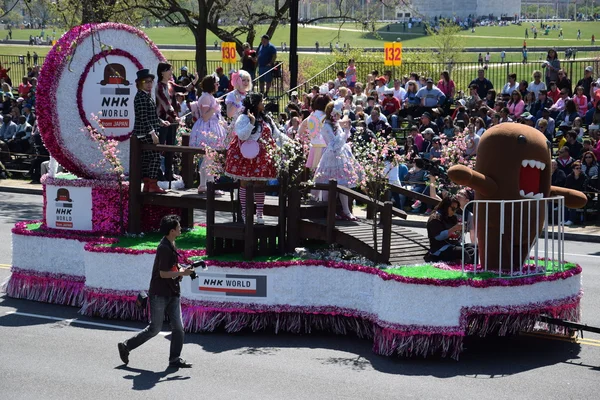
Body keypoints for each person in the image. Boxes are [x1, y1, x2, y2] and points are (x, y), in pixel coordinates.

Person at [118, 215, 194, 369]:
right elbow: (163, 273)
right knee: (155, 329)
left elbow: (173, 266)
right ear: (172, 231)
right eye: (178, 227)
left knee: (178, 327)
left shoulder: (172, 243)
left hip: (173, 292)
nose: (180, 229)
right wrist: (182, 274)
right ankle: (126, 346)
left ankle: (174, 359)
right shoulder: (164, 248)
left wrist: (182, 269)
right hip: (159, 293)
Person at [224, 93, 287, 224]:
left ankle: (259, 213)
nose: (263, 104)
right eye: (261, 102)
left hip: (261, 158)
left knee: (260, 183)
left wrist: (291, 142)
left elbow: (277, 134)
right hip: (245, 156)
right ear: (255, 104)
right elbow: (242, 135)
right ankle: (245, 212)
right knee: (245, 184)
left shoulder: (266, 119)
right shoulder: (243, 118)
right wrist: (251, 123)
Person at [314, 100, 363, 220]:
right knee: (328, 184)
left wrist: (346, 130)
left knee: (343, 184)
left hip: (341, 157)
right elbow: (334, 144)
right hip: (330, 157)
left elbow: (343, 140)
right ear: (331, 113)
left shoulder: (336, 125)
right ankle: (329, 210)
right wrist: (345, 130)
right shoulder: (325, 126)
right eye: (336, 114)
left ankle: (346, 211)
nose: (338, 117)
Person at [155, 62, 197, 182]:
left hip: (172, 122)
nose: (171, 72)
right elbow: (166, 105)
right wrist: (175, 116)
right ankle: (158, 172)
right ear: (162, 72)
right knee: (160, 147)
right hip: (162, 121)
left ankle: (169, 172)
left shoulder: (171, 84)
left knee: (171, 147)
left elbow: (185, 89)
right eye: (169, 70)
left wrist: (195, 81)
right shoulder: (159, 87)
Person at [189, 75, 227, 193]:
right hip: (207, 129)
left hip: (212, 128)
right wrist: (215, 106)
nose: (218, 85)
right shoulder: (205, 97)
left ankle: (204, 185)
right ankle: (208, 185)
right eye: (216, 83)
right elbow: (205, 117)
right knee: (209, 158)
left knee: (209, 158)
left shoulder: (209, 97)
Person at [133, 69, 169, 193]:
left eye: (151, 81)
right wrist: (152, 133)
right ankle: (152, 185)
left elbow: (151, 115)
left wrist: (161, 121)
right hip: (145, 132)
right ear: (139, 83)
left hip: (147, 131)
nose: (149, 84)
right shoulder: (141, 97)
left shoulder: (146, 96)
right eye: (146, 82)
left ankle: (149, 185)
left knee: (149, 159)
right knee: (154, 158)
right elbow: (143, 118)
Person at [425, 196, 474, 263]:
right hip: (440, 249)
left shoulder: (452, 217)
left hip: (453, 245)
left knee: (474, 248)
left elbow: (456, 236)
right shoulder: (435, 218)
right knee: (461, 252)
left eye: (456, 209)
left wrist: (460, 230)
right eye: (453, 209)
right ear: (445, 206)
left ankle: (474, 269)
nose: (454, 212)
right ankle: (467, 269)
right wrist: (454, 228)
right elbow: (438, 237)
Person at [564, 161, 587, 226]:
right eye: (577, 168)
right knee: (564, 202)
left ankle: (571, 220)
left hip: (581, 195)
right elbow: (567, 187)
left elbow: (583, 187)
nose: (579, 170)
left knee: (573, 202)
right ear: (573, 169)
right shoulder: (569, 177)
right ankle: (565, 219)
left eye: (580, 168)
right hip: (571, 194)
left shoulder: (584, 176)